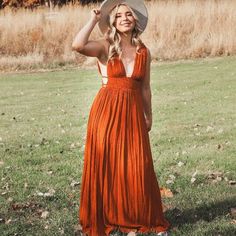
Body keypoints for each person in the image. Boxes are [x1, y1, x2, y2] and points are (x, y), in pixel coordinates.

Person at [72, 0, 171, 235]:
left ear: (135, 19)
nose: (125, 18)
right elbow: (77, 45)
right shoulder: (105, 46)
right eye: (119, 16)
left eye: (129, 15)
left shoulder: (144, 51)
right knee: (110, 164)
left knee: (137, 164)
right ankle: (112, 216)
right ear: (112, 22)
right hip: (106, 113)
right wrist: (94, 20)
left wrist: (149, 115)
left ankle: (136, 216)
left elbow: (145, 88)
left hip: (134, 112)